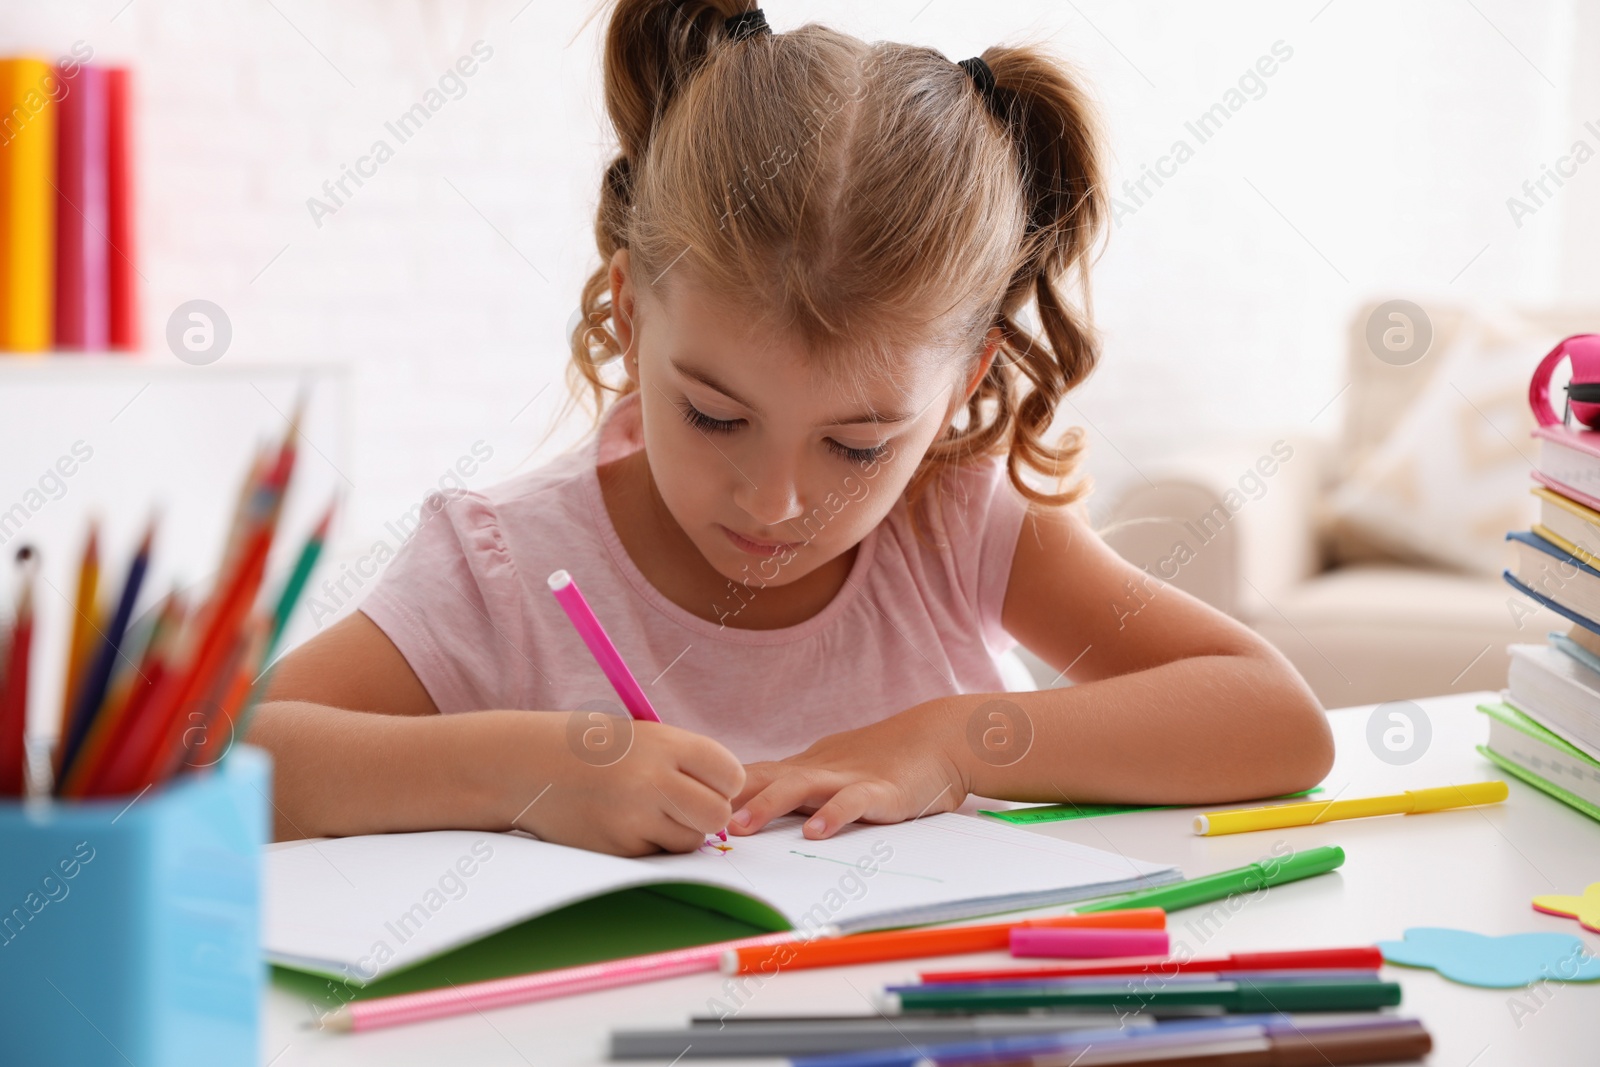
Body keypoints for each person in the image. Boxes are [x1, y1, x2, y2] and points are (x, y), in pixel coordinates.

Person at [247, 1, 1333, 856]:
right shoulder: (503, 564)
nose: (773, 502)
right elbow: (235, 756)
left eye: (856, 444)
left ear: (962, 384)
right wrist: (528, 767)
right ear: (629, 311)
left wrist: (950, 741)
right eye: (715, 414)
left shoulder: (951, 522)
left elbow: (1277, 717)